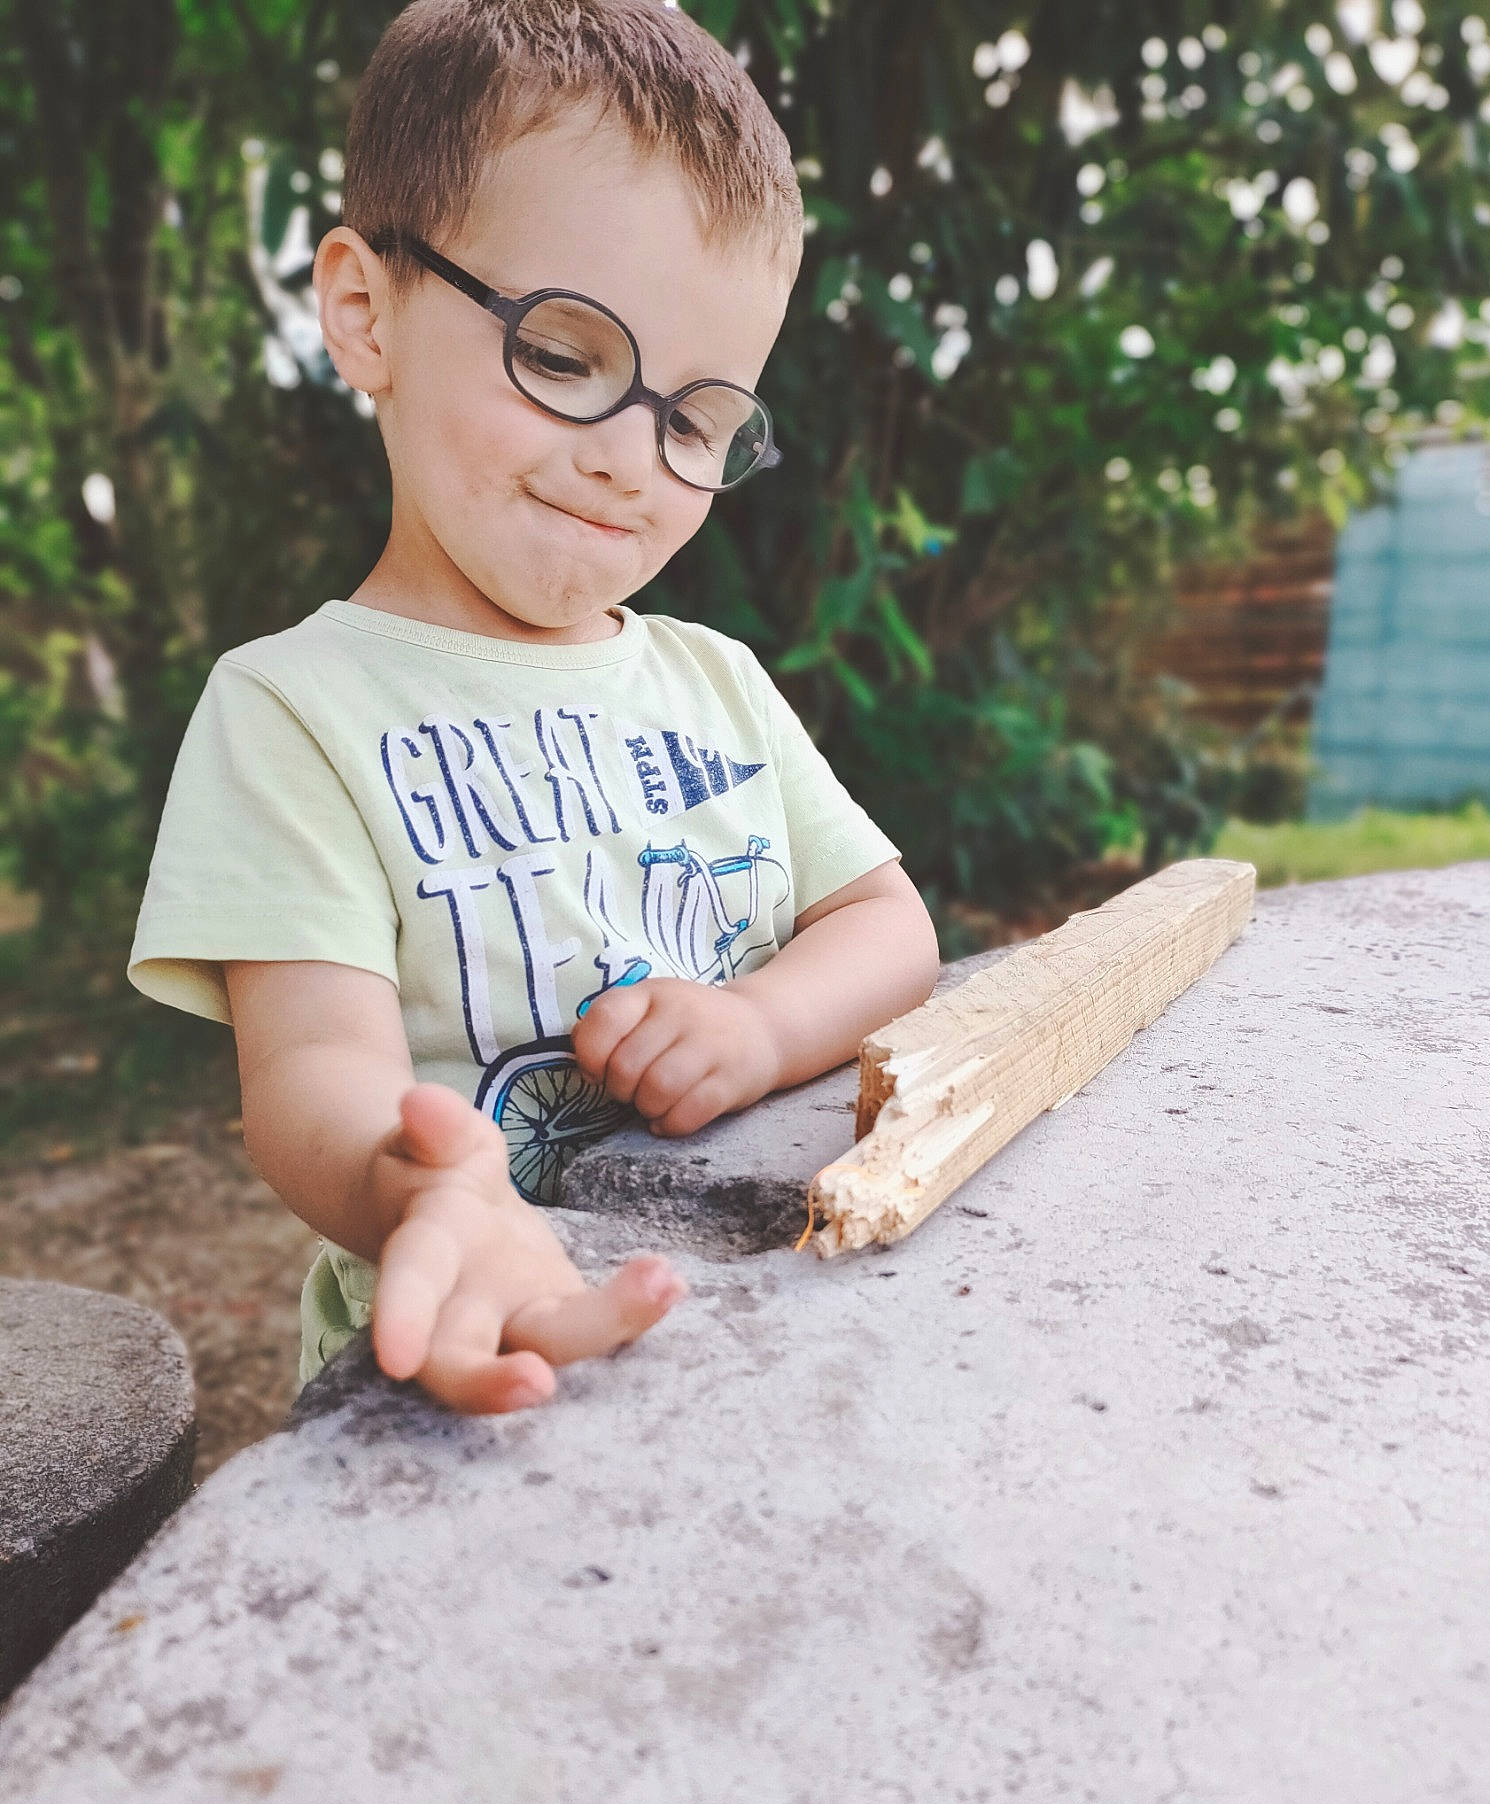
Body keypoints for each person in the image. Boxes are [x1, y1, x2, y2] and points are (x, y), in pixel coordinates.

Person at [129, 0, 940, 1418]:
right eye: (564, 359)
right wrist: (431, 1191)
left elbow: (888, 925)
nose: (632, 460)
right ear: (366, 313)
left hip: (758, 1329)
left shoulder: (715, 685)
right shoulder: (295, 710)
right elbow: (312, 1075)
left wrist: (758, 1026)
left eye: (695, 420)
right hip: (471, 1349)